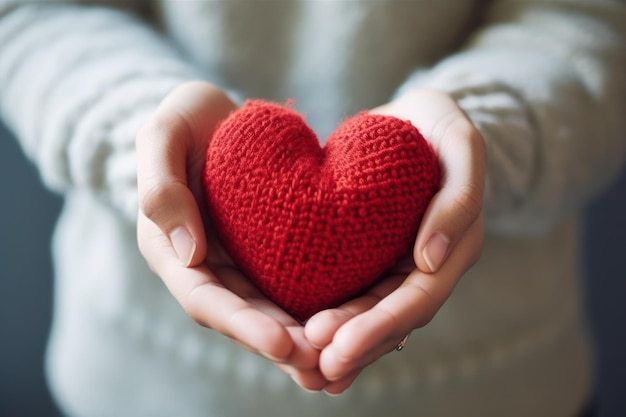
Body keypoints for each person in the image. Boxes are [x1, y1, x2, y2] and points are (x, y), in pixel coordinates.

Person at [1, 1, 624, 416]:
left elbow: (592, 20)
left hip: (504, 386)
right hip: (139, 385)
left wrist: (484, 133)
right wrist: (151, 140)